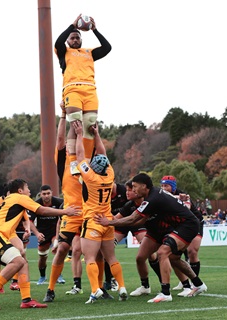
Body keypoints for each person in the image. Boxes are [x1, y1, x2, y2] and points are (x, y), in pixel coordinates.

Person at [94, 173, 207, 303]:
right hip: (164, 229)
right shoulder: (150, 196)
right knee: (156, 257)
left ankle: (166, 292)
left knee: (163, 252)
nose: (133, 190)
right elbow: (137, 221)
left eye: (135, 187)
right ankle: (198, 284)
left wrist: (108, 222)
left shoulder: (153, 198)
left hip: (187, 225)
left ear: (144, 186)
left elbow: (133, 218)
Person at [0, 178, 79, 310]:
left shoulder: (9, 200)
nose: (29, 191)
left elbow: (25, 218)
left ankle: (26, 299)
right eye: (27, 188)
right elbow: (42, 210)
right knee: (18, 261)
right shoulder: (19, 197)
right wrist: (65, 212)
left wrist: (27, 229)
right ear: (20, 190)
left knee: (22, 262)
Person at [72, 120, 127, 304]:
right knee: (111, 257)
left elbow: (80, 156)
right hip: (108, 221)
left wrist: (80, 134)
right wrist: (96, 134)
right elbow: (103, 153)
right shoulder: (109, 175)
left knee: (89, 258)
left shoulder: (91, 177)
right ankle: (122, 287)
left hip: (93, 221)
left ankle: (95, 290)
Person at [43, 102, 86, 303]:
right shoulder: (64, 162)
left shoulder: (86, 162)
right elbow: (61, 138)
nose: (70, 147)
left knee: (91, 250)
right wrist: (62, 115)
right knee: (62, 249)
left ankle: (100, 286)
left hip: (89, 212)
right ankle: (50, 289)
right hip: (71, 213)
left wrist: (86, 130)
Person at [55, 14, 112, 159]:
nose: (75, 40)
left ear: (81, 40)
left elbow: (107, 47)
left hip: (90, 90)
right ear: (68, 40)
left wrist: (95, 30)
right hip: (72, 89)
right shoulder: (64, 52)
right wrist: (72, 26)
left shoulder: (89, 52)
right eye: (72, 38)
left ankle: (85, 157)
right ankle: (73, 159)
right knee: (76, 124)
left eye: (77, 38)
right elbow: (58, 42)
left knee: (89, 126)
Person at [159, 175, 204, 297]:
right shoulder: (162, 196)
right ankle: (188, 282)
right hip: (180, 226)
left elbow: (187, 207)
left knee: (192, 251)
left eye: (166, 186)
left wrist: (174, 197)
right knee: (174, 255)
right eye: (162, 186)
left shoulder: (183, 196)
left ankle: (196, 285)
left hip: (195, 223)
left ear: (173, 187)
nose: (163, 188)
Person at [32, 184, 65, 285]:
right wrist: (37, 234)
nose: (46, 196)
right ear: (40, 194)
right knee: (42, 256)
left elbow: (63, 218)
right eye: (44, 194)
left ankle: (58, 274)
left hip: (56, 231)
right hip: (43, 233)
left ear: (52, 193)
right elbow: (30, 221)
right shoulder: (36, 204)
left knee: (59, 251)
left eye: (48, 193)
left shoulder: (59, 202)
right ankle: (42, 276)